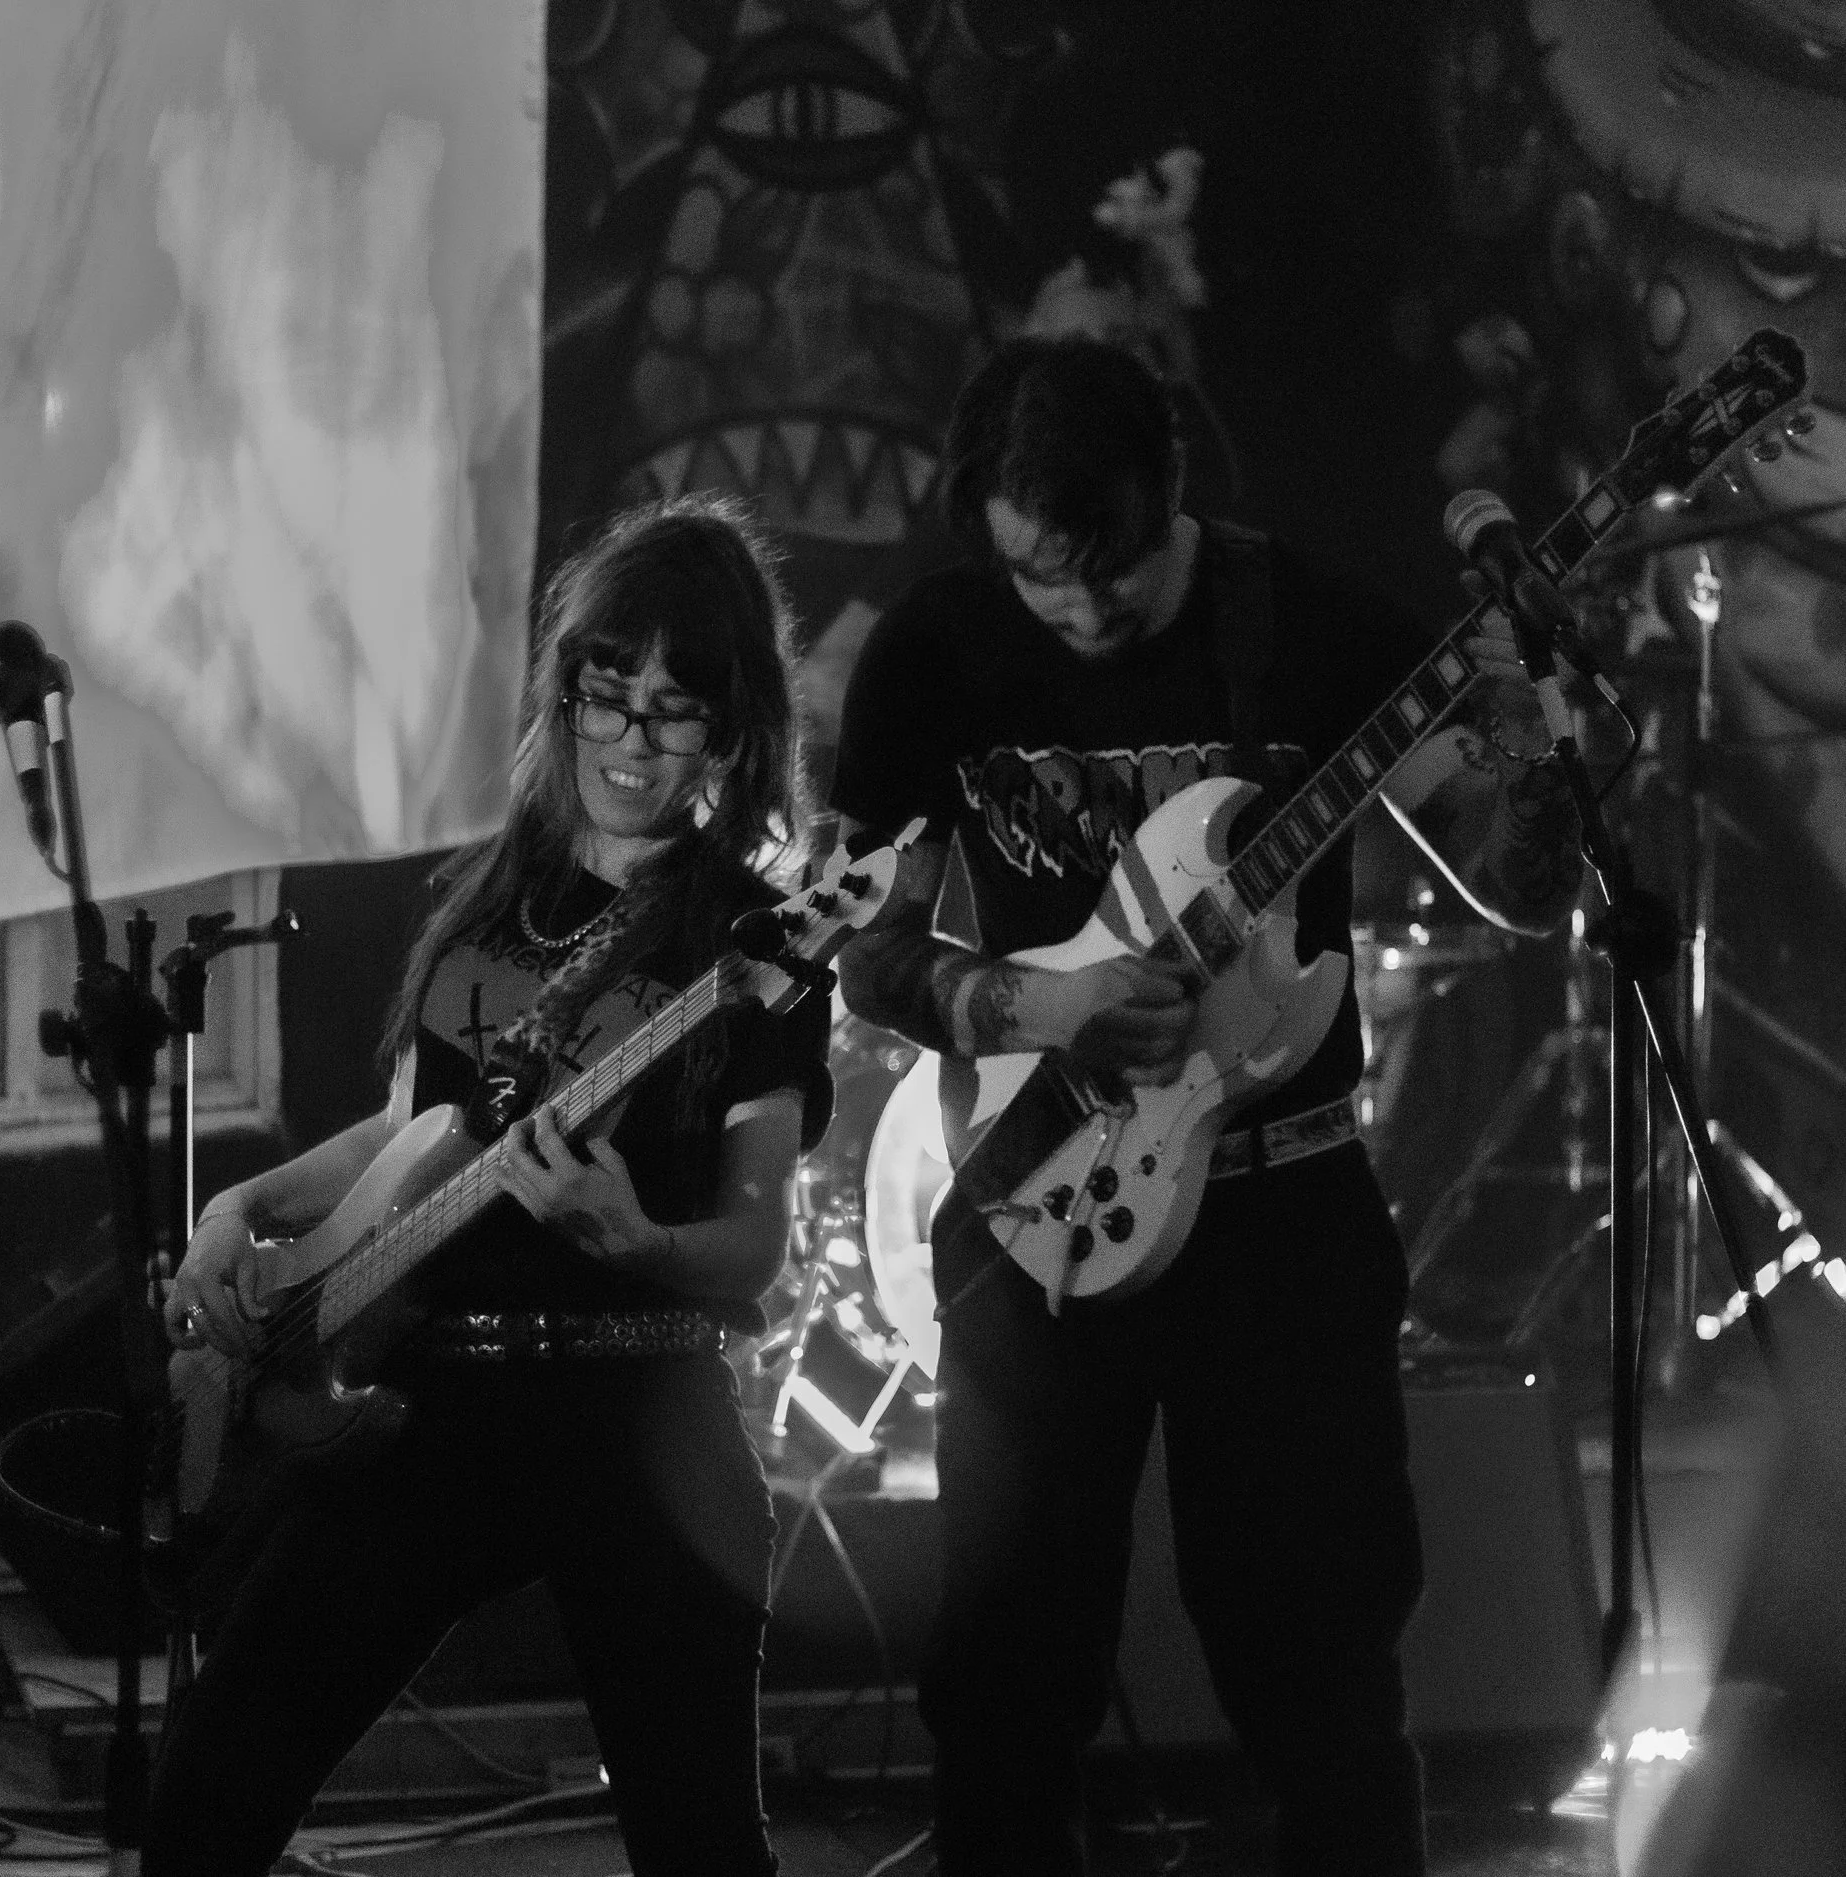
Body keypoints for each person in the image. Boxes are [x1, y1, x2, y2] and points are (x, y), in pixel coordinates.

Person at [828, 335, 1583, 1876]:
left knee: (1321, 1677)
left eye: (1112, 562)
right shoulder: (938, 649)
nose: (1086, 606)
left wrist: (1555, 767)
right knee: (1009, 1679)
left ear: (1171, 486)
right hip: (1040, 1195)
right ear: (987, 525)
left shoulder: (1304, 623)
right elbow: (867, 952)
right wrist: (1050, 1007)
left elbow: (1513, 887)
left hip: (1282, 1209)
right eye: (1044, 573)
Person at [149, 494, 832, 1877]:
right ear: (565, 683)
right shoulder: (482, 900)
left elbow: (752, 1245)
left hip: (642, 1407)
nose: (635, 739)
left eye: (678, 708)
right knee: (205, 1798)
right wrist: (241, 1208)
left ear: (734, 727)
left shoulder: (756, 942)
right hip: (434, 1397)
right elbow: (406, 1135)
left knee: (702, 1847)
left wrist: (636, 1238)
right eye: (608, 692)